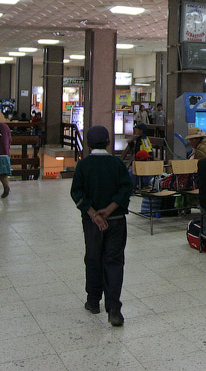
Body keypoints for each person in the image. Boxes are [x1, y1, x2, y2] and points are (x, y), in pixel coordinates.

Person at [70, 125, 132, 327]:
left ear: (87, 144)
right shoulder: (117, 163)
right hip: (116, 221)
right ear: (108, 142)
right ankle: (114, 310)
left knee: (93, 258)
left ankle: (93, 301)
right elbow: (126, 189)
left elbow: (77, 193)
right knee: (114, 262)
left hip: (92, 223)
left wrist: (94, 214)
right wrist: (110, 208)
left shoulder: (83, 165)